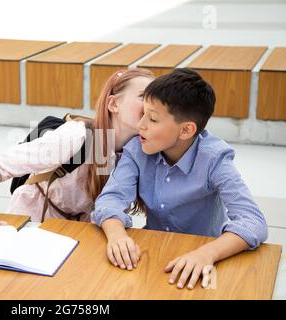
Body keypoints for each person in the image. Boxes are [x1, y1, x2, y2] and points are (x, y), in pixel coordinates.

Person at [92, 68, 268, 290]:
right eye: (143, 114)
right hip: (154, 256)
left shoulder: (214, 159)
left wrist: (207, 253)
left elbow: (253, 221)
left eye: (153, 119)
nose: (141, 125)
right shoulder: (137, 149)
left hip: (203, 264)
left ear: (186, 130)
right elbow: (110, 199)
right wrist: (117, 235)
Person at [0, 68, 155, 232]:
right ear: (114, 104)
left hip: (79, 230)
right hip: (32, 219)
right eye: (143, 97)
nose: (151, 105)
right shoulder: (76, 136)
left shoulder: (141, 150)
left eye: (154, 99)